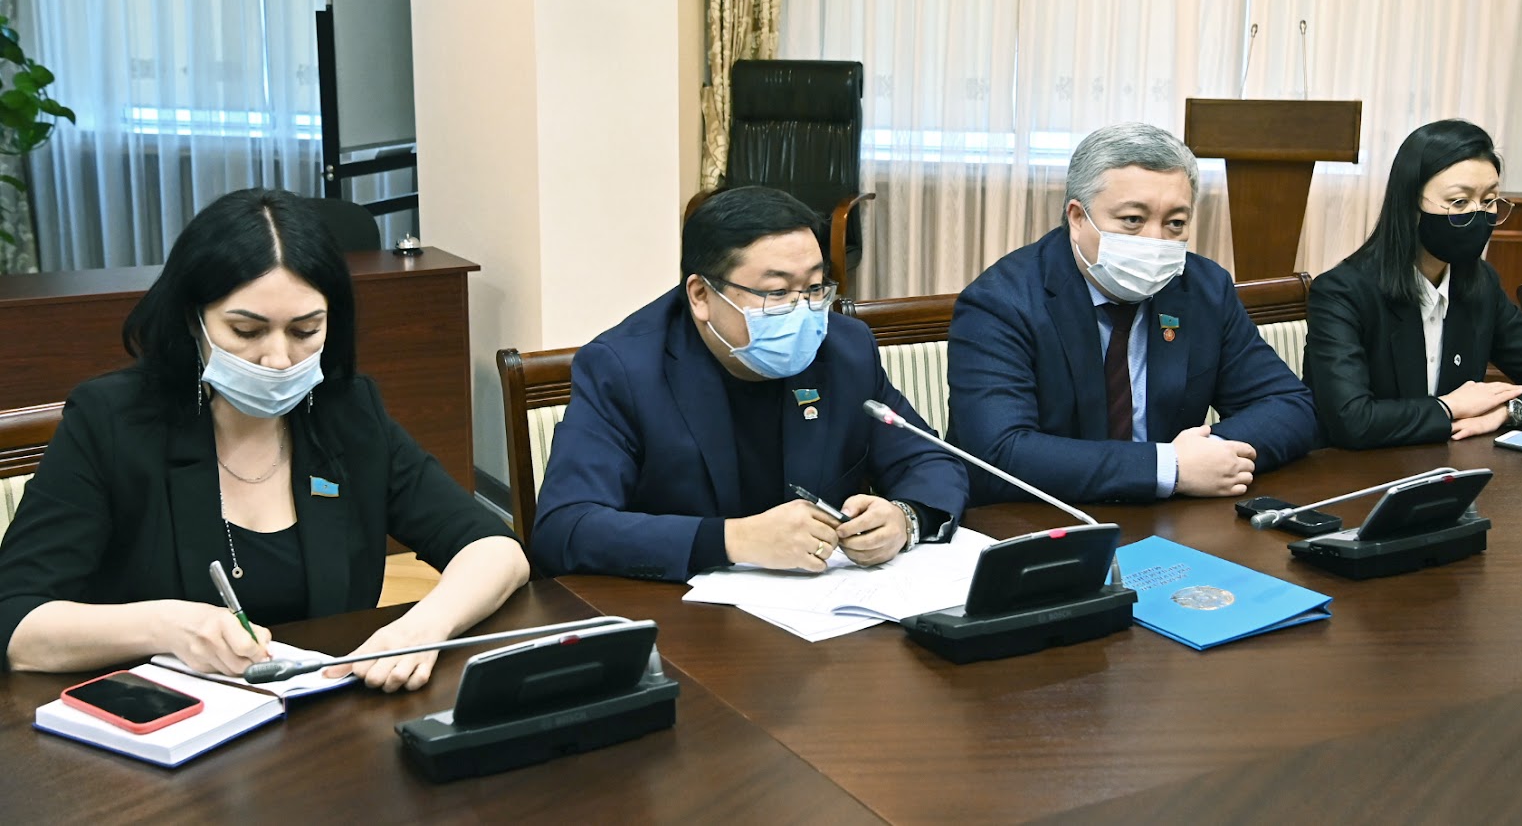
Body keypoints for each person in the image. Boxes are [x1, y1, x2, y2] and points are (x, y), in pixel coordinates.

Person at [0, 189, 528, 691]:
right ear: (193, 320)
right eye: (247, 332)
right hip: (162, 731)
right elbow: (16, 622)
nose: (278, 359)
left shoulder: (347, 412)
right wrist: (166, 627)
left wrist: (423, 627)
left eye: (305, 331)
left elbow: (495, 549)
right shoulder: (111, 421)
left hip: (323, 720)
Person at [531, 186, 968, 581]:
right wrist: (732, 540)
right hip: (684, 620)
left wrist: (904, 518)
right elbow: (565, 527)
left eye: (815, 287)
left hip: (826, 615)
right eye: (777, 293)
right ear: (701, 296)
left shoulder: (844, 349)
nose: (804, 310)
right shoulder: (623, 369)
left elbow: (931, 460)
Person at [947, 122, 1318, 505]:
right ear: (1077, 218)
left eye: (1175, 223)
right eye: (1133, 220)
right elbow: (998, 455)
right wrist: (1167, 467)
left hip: (1174, 517)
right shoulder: (1001, 302)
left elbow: (1289, 406)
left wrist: (1208, 458)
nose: (1155, 241)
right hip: (1041, 521)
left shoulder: (1204, 289)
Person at [1304, 119, 1522, 449]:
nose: (1479, 214)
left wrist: (1506, 413)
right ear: (1411, 204)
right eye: (1459, 202)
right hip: (1357, 472)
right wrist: (1450, 407)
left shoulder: (1480, 284)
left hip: (1452, 466)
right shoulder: (1342, 293)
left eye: (1489, 200)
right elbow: (1352, 420)